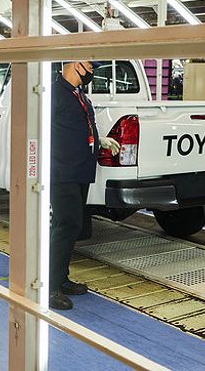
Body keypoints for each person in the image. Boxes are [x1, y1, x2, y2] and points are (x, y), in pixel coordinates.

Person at [50, 61, 119, 310]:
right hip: (62, 170)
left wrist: (101, 140)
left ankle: (61, 278)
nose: (92, 71)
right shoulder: (53, 94)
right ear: (75, 64)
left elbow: (81, 128)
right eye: (90, 66)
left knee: (73, 226)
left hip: (80, 170)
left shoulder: (80, 95)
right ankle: (50, 286)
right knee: (64, 225)